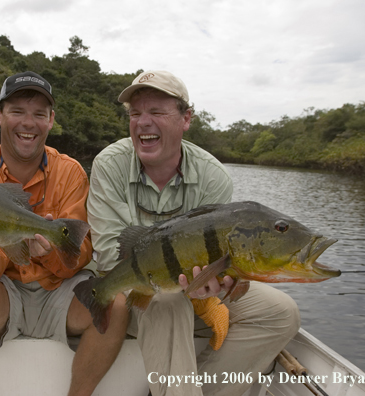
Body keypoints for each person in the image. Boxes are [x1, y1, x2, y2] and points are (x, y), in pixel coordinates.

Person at [87, 70, 300, 396]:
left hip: (195, 284)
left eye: (156, 112)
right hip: (130, 286)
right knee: (168, 302)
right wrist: (191, 293)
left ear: (186, 119)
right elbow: (106, 252)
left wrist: (220, 286)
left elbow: (221, 258)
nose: (143, 122)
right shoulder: (109, 165)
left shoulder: (213, 176)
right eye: (135, 113)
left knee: (281, 313)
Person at [0, 71, 128, 396]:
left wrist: (49, 251)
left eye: (39, 114)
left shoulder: (70, 171)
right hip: (4, 292)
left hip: (60, 290)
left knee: (116, 303)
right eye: (17, 112)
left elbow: (76, 256)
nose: (29, 123)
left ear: (51, 120)